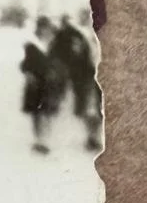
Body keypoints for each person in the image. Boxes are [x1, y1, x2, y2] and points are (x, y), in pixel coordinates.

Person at [49, 14, 102, 151]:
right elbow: (72, 56)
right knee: (88, 108)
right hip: (86, 76)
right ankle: (92, 137)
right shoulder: (78, 36)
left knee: (98, 108)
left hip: (100, 76)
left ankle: (93, 137)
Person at [21, 16, 59, 153]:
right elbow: (25, 64)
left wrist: (56, 73)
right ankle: (38, 140)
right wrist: (28, 75)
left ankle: (45, 140)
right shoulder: (31, 45)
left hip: (49, 83)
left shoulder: (53, 45)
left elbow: (58, 63)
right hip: (35, 84)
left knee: (47, 112)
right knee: (36, 113)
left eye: (47, 28)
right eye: (43, 28)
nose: (45, 31)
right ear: (39, 29)